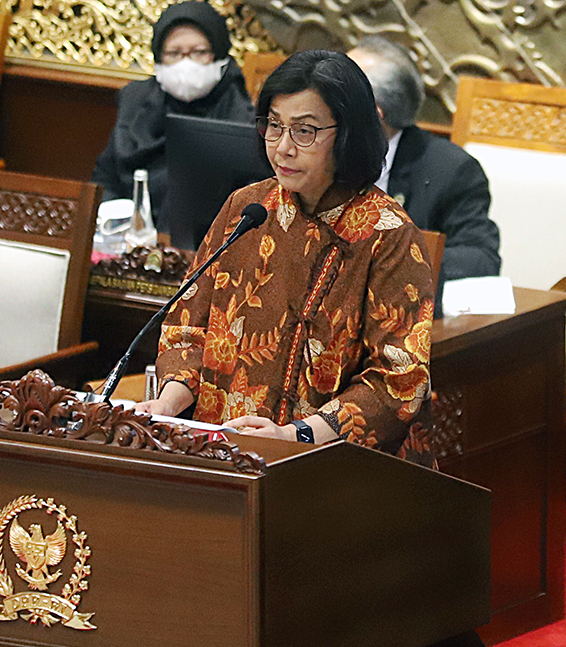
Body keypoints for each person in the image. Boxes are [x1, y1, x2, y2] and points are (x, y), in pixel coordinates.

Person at [135, 50, 436, 468]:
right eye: (274, 127)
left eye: (305, 131)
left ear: (348, 134)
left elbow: (398, 380)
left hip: (333, 468)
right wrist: (169, 403)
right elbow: (188, 325)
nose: (283, 148)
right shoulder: (248, 208)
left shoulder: (390, 235)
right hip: (223, 456)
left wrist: (296, 435)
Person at [348, 36, 501, 286]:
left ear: (372, 114)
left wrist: (394, 259)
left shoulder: (450, 170)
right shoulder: (308, 151)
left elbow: (481, 259)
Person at [91, 1, 255, 226]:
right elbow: (105, 178)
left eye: (199, 52)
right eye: (173, 53)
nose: (185, 64)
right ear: (159, 58)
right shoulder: (136, 102)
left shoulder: (242, 117)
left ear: (218, 54)